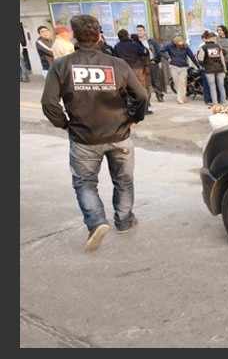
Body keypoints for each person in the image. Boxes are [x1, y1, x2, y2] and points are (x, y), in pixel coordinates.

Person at [40, 14, 148, 252]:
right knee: (124, 180)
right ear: (99, 35)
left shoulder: (61, 66)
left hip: (84, 138)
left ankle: (97, 222)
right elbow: (141, 96)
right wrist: (134, 118)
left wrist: (65, 125)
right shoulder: (117, 64)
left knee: (85, 183)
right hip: (119, 134)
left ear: (73, 35)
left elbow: (49, 103)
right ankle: (124, 220)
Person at [114, 29, 153, 114]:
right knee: (141, 88)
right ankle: (144, 109)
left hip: (124, 70)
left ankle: (130, 110)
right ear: (127, 35)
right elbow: (145, 52)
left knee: (127, 89)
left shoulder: (117, 46)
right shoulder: (134, 44)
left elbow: (115, 58)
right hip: (137, 69)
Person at [158, 35, 201, 105]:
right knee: (176, 82)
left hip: (183, 66)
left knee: (183, 82)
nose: (180, 46)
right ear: (175, 43)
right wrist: (167, 57)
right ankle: (180, 97)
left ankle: (181, 98)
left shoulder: (186, 47)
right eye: (178, 44)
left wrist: (198, 66)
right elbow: (160, 51)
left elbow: (191, 56)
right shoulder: (169, 46)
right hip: (173, 66)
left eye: (181, 44)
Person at [197, 30, 227, 106]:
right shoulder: (218, 47)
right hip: (219, 68)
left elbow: (200, 59)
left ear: (205, 39)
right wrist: (224, 68)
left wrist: (203, 65)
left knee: (212, 86)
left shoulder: (203, 47)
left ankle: (215, 103)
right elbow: (222, 58)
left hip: (209, 69)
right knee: (221, 86)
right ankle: (223, 102)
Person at [136, 24, 165, 102]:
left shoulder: (151, 41)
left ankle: (159, 95)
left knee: (155, 80)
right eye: (138, 30)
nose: (139, 32)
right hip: (141, 64)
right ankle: (146, 98)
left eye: (141, 30)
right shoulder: (136, 42)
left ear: (145, 31)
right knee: (144, 81)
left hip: (151, 62)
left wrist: (157, 60)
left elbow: (158, 51)